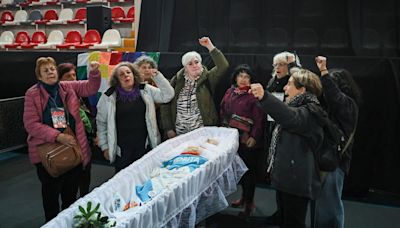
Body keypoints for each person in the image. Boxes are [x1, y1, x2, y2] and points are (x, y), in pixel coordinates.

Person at [23, 57, 101, 222]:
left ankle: (68, 222)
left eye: (52, 68)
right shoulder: (32, 94)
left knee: (70, 193)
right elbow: (31, 124)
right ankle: (52, 223)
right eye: (46, 70)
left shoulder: (68, 86)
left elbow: (91, 88)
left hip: (73, 148)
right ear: (39, 76)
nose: (51, 72)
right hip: (47, 152)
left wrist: (94, 72)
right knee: (51, 195)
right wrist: (57, 136)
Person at [250, 69, 325, 228]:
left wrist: (265, 97)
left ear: (302, 90)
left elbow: (290, 117)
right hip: (289, 178)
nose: (285, 88)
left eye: (290, 84)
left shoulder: (310, 111)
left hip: (296, 181)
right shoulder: (300, 108)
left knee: (293, 222)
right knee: (285, 219)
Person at [96, 62, 174, 173]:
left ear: (134, 75)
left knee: (145, 178)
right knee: (123, 181)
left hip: (145, 145)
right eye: (121, 74)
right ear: (117, 80)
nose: (126, 75)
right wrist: (104, 147)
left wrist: (157, 76)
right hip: (121, 149)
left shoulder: (145, 89)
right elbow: (101, 123)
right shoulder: (108, 96)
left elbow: (168, 96)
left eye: (128, 72)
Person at [311, 56, 361, 228]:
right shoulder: (335, 106)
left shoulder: (348, 104)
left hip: (335, 163)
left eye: (330, 85)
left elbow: (335, 97)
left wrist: (324, 71)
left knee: (329, 208)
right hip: (328, 160)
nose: (325, 89)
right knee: (323, 206)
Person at [160, 37, 229, 138]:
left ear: (201, 64)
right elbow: (165, 104)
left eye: (197, 62)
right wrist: (169, 128)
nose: (194, 65)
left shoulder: (208, 77)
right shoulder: (176, 81)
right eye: (190, 64)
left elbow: (223, 66)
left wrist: (210, 46)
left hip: (203, 132)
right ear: (185, 68)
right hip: (179, 133)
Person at [220, 64, 264, 218]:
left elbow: (259, 119)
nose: (243, 79)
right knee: (239, 171)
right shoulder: (230, 91)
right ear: (236, 77)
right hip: (231, 138)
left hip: (248, 140)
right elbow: (223, 111)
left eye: (247, 76)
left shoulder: (254, 94)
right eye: (240, 76)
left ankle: (250, 202)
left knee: (249, 172)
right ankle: (243, 198)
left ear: (251, 79)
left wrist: (254, 137)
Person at [264, 51, 301, 226]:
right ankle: (280, 212)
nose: (277, 68)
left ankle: (287, 216)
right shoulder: (273, 81)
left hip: (288, 132)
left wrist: (293, 63)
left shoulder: (296, 83)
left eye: (281, 65)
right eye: (275, 65)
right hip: (273, 130)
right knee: (276, 175)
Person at [58, 62, 97, 197]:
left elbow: (90, 115)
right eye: (68, 76)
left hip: (86, 141)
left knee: (85, 175)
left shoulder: (81, 94)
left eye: (74, 75)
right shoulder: (58, 98)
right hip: (70, 144)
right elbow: (59, 125)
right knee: (71, 183)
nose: (72, 79)